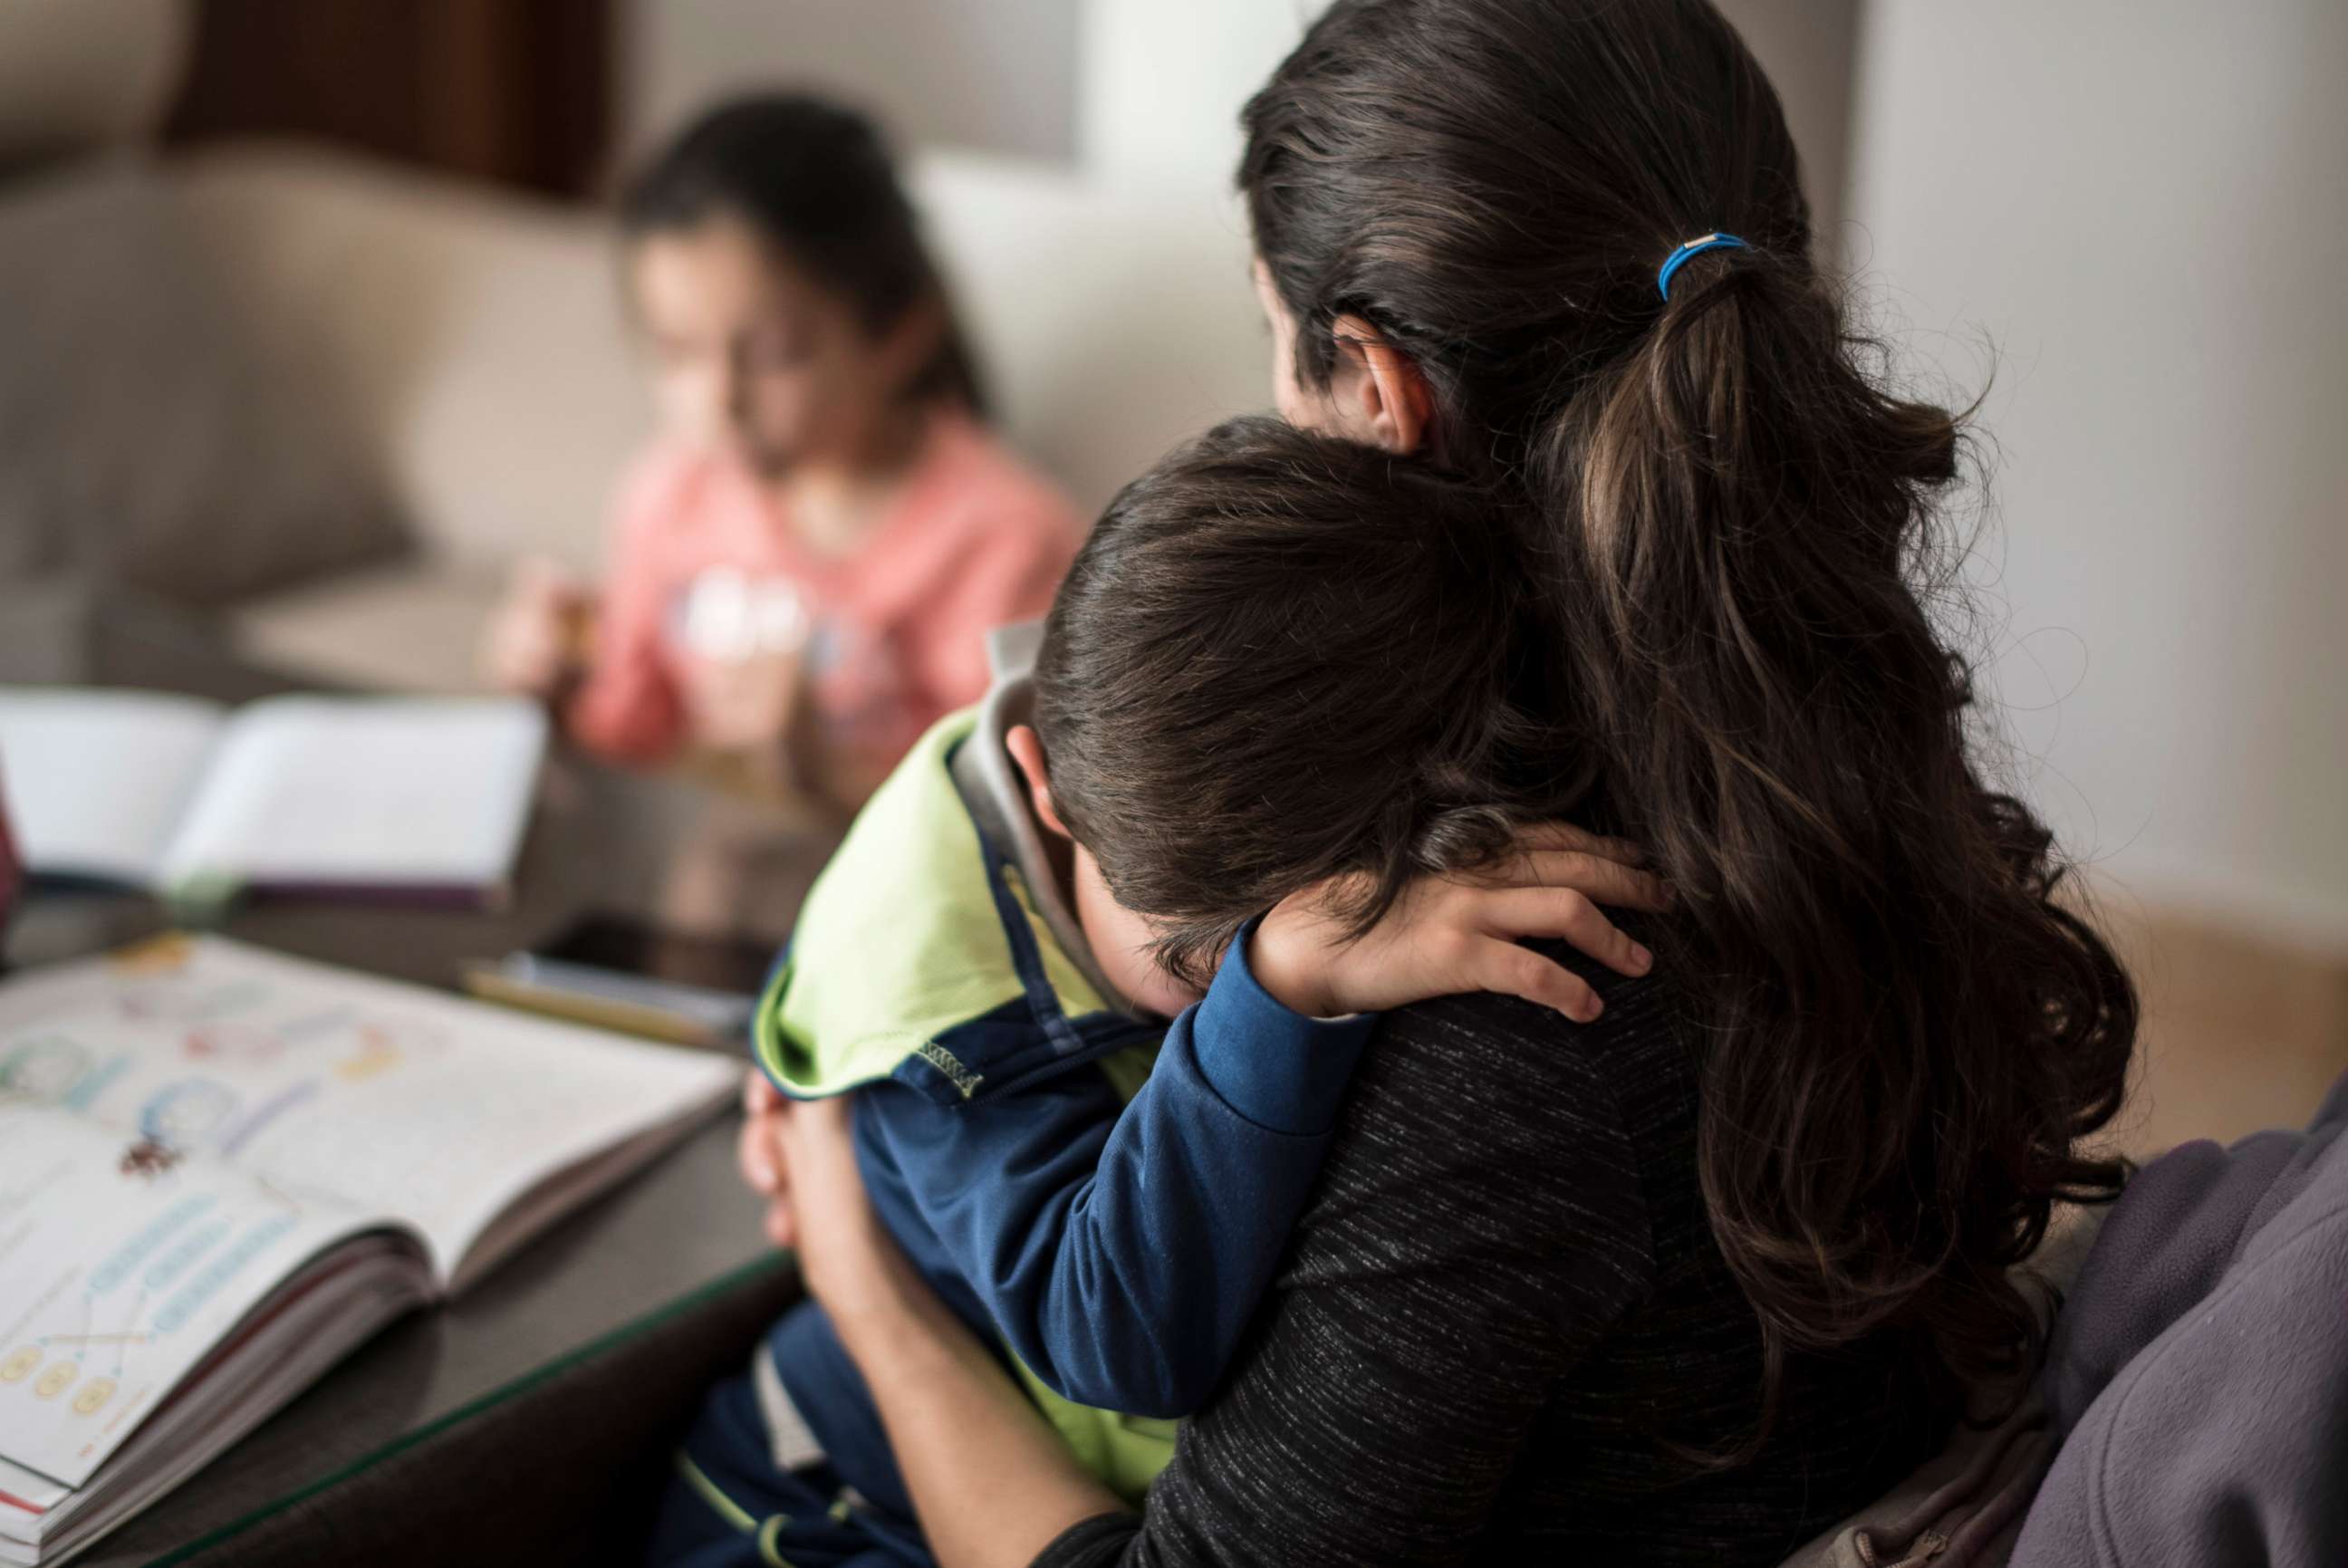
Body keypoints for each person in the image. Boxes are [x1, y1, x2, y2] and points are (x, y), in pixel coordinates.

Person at [737, 2, 2141, 1565]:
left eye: (1273, 348)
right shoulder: (1811, 708)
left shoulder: (1500, 982)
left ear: (1378, 389)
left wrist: (864, 1291)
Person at [649, 416, 1667, 1568]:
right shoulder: (934, 1011)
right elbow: (1117, 1337)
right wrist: (1279, 992)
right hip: (821, 1512)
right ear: (1047, 790)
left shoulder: (1238, 693)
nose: (1224, 982)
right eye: (1193, 956)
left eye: (1330, 913)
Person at [482, 93, 1080, 809]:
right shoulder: (671, 494)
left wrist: (823, 769)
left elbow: (1018, 809)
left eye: (772, 355)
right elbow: (632, 734)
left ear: (900, 331)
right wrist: (560, 688)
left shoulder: (1003, 542)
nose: (718, 399)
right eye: (676, 353)